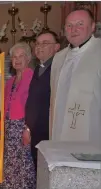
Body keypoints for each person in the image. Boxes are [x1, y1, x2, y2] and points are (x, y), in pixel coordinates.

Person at [50, 8, 101, 148]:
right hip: (59, 131)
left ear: (92, 27)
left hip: (92, 133)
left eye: (80, 24)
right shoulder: (58, 57)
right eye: (69, 25)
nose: (74, 29)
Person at [25, 30, 60, 169]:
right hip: (35, 129)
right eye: (37, 43)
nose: (39, 47)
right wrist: (28, 127)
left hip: (48, 130)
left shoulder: (58, 68)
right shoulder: (37, 69)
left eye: (45, 43)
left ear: (57, 47)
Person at [2, 42, 35, 189]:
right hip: (9, 126)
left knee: (23, 163)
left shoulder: (33, 78)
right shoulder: (10, 81)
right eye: (14, 57)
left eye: (21, 56)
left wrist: (28, 129)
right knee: (10, 161)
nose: (17, 59)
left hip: (23, 126)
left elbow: (35, 106)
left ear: (28, 58)